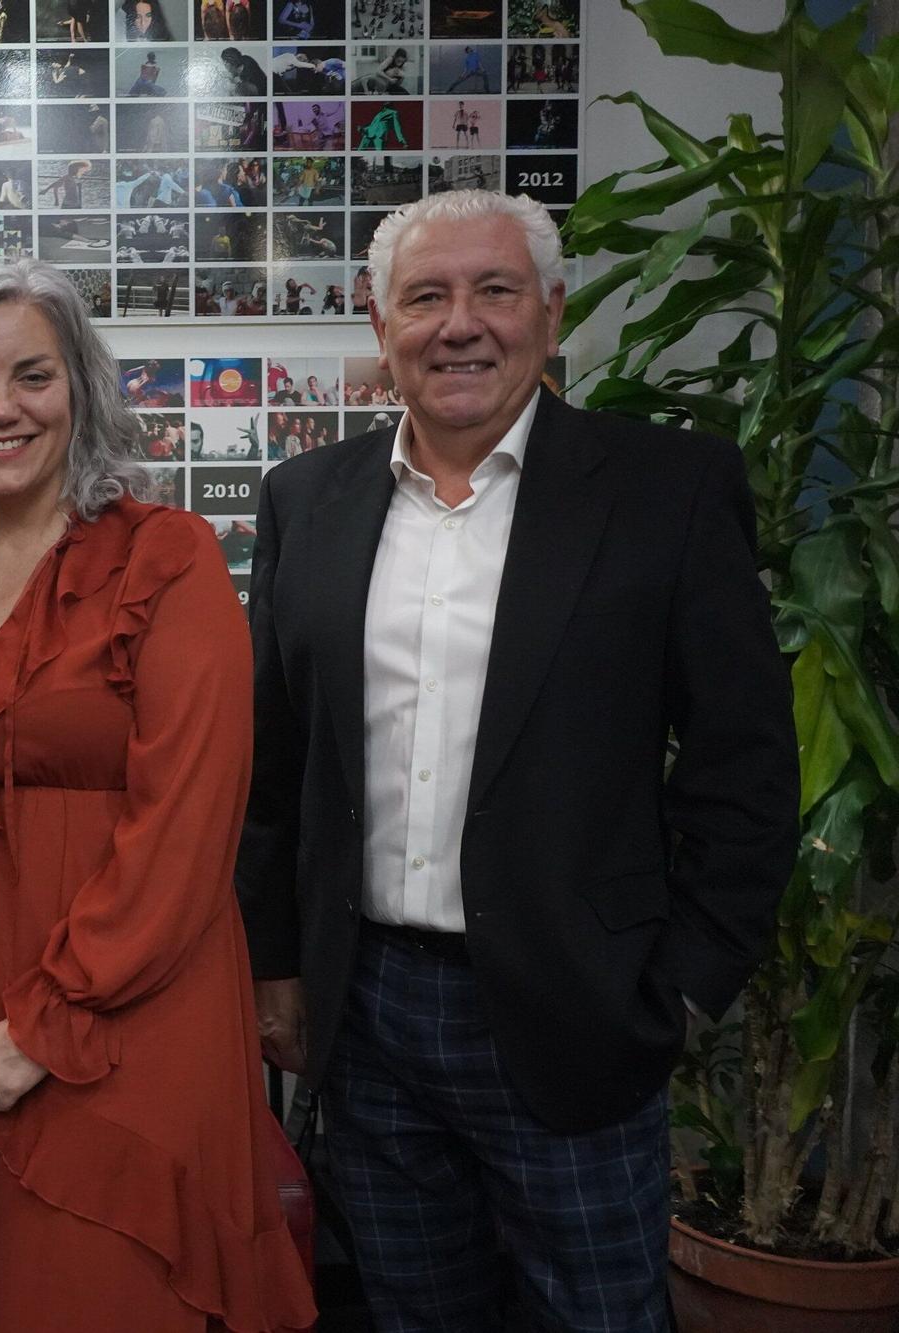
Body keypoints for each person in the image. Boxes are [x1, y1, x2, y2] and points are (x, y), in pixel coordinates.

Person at [238, 190, 801, 1331]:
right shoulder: (307, 499)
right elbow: (274, 759)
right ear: (376, 323)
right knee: (409, 1310)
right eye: (425, 297)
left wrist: (680, 992)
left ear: (548, 315)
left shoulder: (664, 491)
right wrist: (278, 963)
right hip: (370, 1016)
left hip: (576, 1014)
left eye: (493, 291)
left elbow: (744, 771)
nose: (460, 324)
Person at [0, 260, 315, 1333]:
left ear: (83, 392)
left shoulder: (169, 558)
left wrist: (43, 1025)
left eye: (31, 376)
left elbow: (186, 827)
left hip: (121, 1029)